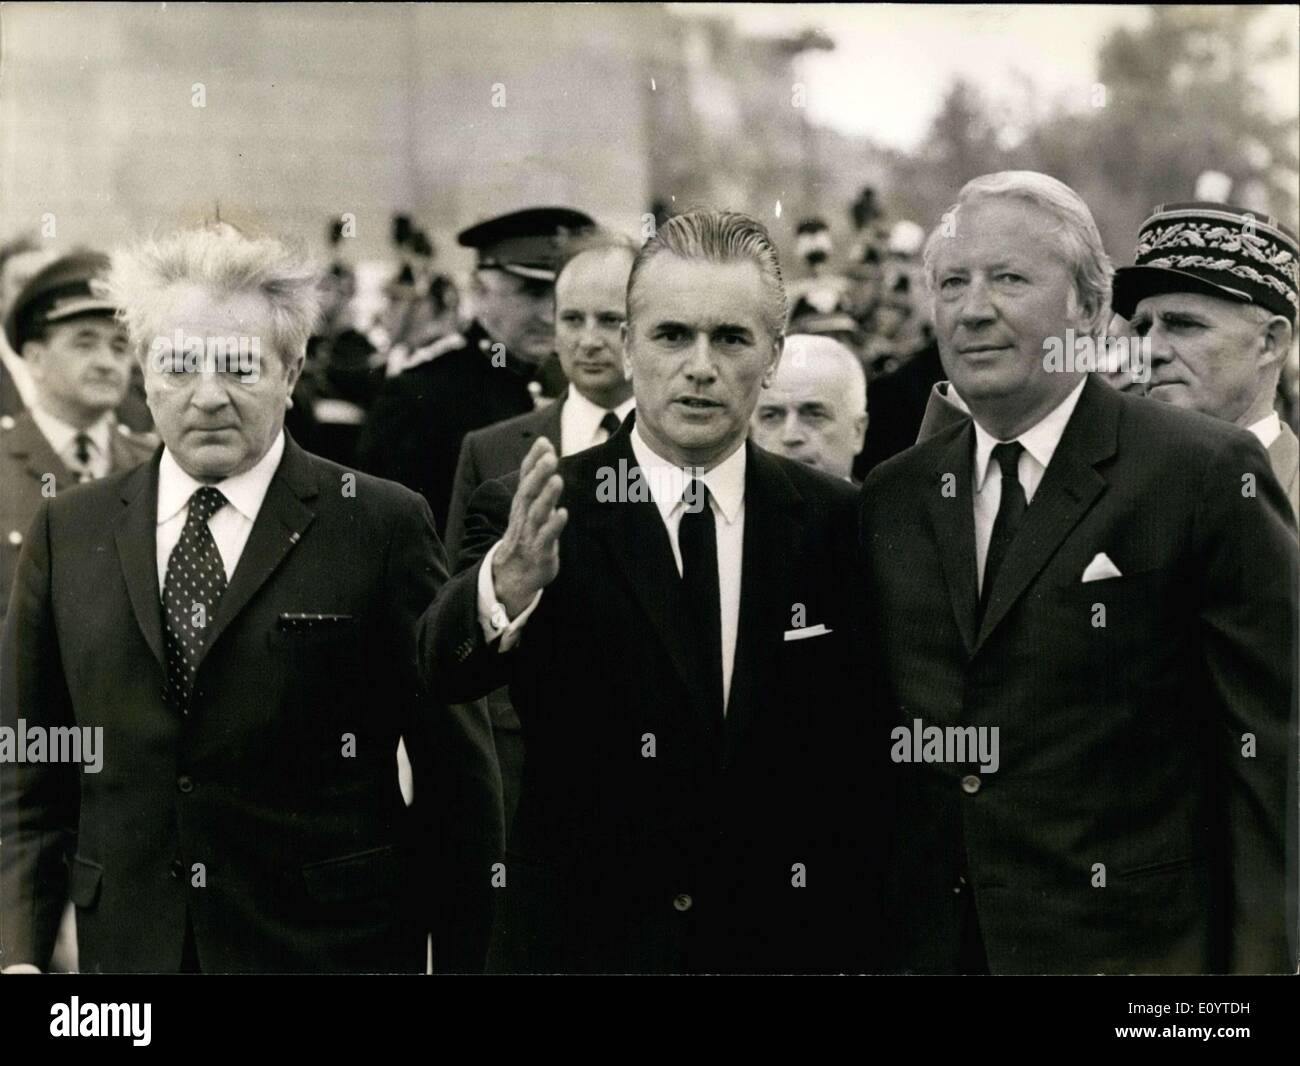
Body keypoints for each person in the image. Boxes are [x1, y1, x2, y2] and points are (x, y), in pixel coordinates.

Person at [0, 223, 501, 974]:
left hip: (329, 952)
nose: (207, 397)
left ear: (292, 371)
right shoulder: (68, 531)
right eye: (179, 366)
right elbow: (30, 772)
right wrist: (20, 956)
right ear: (143, 371)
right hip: (130, 965)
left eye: (239, 367)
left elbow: (456, 780)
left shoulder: (379, 524)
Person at [859, 171, 1296, 974]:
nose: (973, 308)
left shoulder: (1200, 475)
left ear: (1091, 313)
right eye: (952, 282)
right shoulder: (896, 495)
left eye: (1010, 279)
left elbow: (1272, 762)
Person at [422, 210, 876, 974]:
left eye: (731, 338)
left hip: (772, 946)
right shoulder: (537, 505)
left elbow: (858, 758)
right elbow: (443, 668)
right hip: (580, 949)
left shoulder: (835, 522)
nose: (700, 366)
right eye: (671, 336)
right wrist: (504, 588)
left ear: (771, 356)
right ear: (629, 348)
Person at [443, 230, 637, 835]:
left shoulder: (688, 446)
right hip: (524, 757)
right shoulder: (494, 449)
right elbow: (454, 613)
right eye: (571, 318)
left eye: (611, 320)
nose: (588, 339)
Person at [356, 206, 594, 533]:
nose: (549, 314)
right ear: (479, 291)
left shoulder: (583, 385)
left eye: (560, 294)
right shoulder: (422, 395)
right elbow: (388, 535)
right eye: (533, 292)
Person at [1112, 201, 1300, 519]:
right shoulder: (1106, 494)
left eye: (1183, 324)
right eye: (1142, 328)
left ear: (1271, 343)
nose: (1148, 351)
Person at [1, 251, 157, 622]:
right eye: (84, 343)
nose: (106, 361)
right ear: (35, 358)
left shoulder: (153, 464)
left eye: (119, 346)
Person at [750, 333, 867, 481]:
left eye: (814, 415)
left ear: (857, 432)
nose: (790, 436)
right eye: (771, 416)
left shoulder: (886, 504)